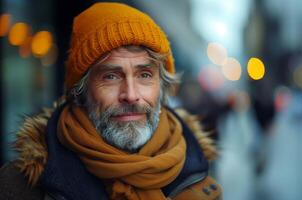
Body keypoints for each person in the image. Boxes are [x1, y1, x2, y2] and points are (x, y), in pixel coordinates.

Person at [0, 2, 221, 200]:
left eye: (144, 75)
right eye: (111, 76)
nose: (131, 94)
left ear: (161, 88)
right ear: (81, 91)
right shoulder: (19, 187)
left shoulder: (199, 177)